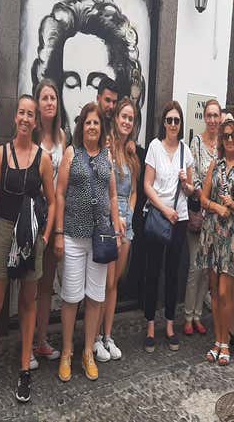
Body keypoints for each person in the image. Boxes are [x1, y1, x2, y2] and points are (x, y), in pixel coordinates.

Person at [0, 95, 56, 405]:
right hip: (4, 230)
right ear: (15, 117)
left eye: (30, 115)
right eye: (21, 112)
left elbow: (53, 199)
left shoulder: (43, 159)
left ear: (36, 121)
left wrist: (45, 237)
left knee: (28, 304)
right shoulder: (1, 154)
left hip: (31, 235)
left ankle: (24, 372)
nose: (25, 118)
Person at [55, 103, 123, 382]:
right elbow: (59, 194)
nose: (92, 127)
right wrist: (58, 232)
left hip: (101, 238)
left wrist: (117, 225)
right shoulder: (72, 153)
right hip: (72, 235)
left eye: (96, 123)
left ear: (101, 127)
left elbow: (113, 196)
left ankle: (87, 353)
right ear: (81, 126)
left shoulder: (108, 157)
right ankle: (67, 352)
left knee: (95, 297)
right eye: (87, 123)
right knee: (71, 298)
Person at [199, 117, 234, 366]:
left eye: (233, 135)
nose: (229, 139)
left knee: (225, 292)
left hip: (231, 236)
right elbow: (203, 198)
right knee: (215, 293)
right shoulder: (215, 165)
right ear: (221, 140)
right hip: (213, 233)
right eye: (225, 136)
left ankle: (225, 340)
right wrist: (216, 207)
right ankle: (217, 341)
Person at [143, 101, 194, 352]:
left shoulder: (186, 152)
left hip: (180, 219)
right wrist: (165, 210)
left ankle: (170, 325)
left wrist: (186, 184)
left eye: (177, 120)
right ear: (163, 123)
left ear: (181, 124)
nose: (173, 124)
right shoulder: (154, 147)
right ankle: (151, 325)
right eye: (169, 120)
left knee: (174, 273)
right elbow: (147, 185)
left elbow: (191, 190)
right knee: (152, 271)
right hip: (159, 216)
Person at [94, 98, 140, 362]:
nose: (126, 121)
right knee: (105, 282)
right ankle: (96, 337)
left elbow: (133, 191)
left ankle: (108, 335)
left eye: (130, 118)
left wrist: (129, 216)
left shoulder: (132, 154)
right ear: (116, 118)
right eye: (123, 116)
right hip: (108, 220)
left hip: (127, 222)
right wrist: (115, 218)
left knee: (115, 285)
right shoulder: (107, 145)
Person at [33, 78, 67, 367]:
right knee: (29, 286)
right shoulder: (30, 137)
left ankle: (41, 340)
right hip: (31, 219)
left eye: (53, 98)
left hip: (54, 219)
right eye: (44, 98)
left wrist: (59, 229)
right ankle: (26, 344)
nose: (49, 103)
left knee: (45, 286)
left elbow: (62, 188)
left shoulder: (62, 138)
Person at [183, 99, 220, 337]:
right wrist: (205, 197)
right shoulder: (196, 143)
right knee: (195, 268)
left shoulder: (225, 146)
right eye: (210, 115)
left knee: (208, 269)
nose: (213, 120)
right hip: (199, 214)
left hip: (218, 217)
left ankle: (198, 315)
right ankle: (188, 316)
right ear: (204, 117)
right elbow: (193, 177)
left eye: (217, 116)